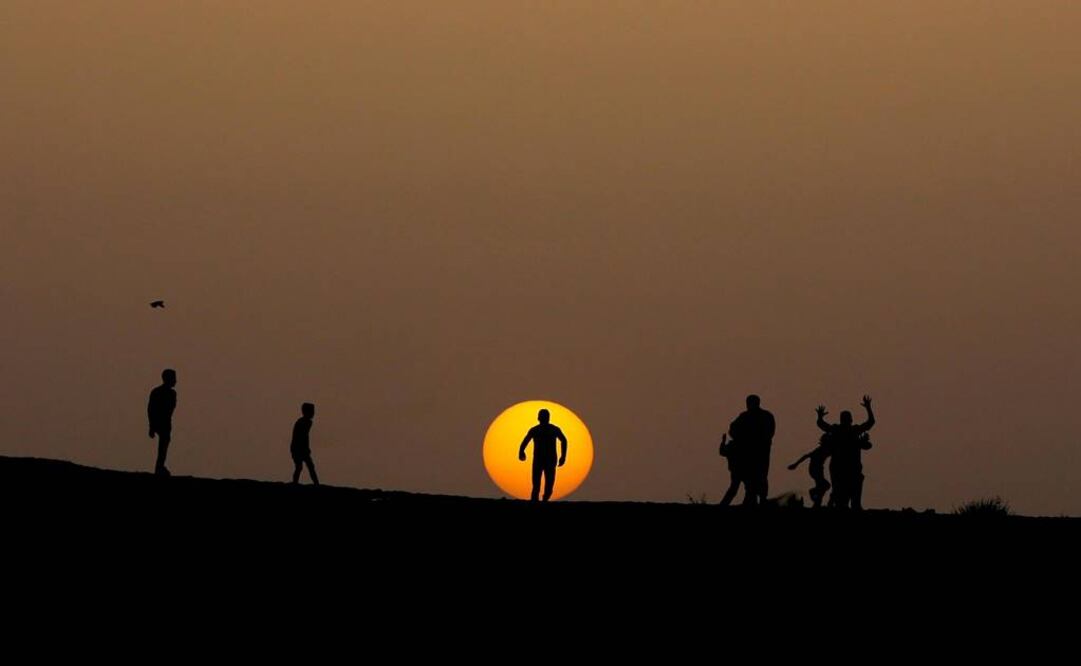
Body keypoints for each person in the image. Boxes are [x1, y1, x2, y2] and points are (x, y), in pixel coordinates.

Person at [815, 395, 875, 509]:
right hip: (851, 470)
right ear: (851, 420)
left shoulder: (837, 430)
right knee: (853, 501)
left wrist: (819, 416)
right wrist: (868, 408)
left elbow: (821, 424)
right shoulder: (854, 431)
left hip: (840, 469)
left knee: (841, 500)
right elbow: (870, 422)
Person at [728, 395, 776, 505]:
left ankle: (761, 499)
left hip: (759, 453)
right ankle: (753, 499)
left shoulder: (764, 416)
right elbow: (733, 429)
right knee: (753, 477)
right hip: (751, 454)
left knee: (760, 475)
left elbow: (769, 433)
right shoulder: (746, 416)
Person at [517, 409, 567, 502]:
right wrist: (521, 451)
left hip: (549, 460)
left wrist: (563, 456)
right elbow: (525, 441)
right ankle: (536, 501)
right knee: (537, 484)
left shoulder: (553, 429)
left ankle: (544, 500)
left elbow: (564, 440)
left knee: (548, 484)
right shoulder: (535, 430)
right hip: (539, 460)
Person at [147, 369, 178, 476]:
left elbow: (151, 409)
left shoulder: (157, 392)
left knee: (164, 445)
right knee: (163, 446)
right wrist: (152, 425)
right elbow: (152, 409)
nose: (176, 381)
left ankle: (160, 467)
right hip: (163, 423)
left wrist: (151, 425)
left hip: (162, 423)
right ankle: (159, 467)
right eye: (174, 378)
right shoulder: (169, 394)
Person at [788, 436, 832, 508]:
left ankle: (817, 502)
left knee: (822, 487)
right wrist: (795, 464)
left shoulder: (826, 450)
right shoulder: (819, 450)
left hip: (819, 470)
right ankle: (813, 492)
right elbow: (806, 456)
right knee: (825, 485)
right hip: (815, 470)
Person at [290, 402, 320, 485]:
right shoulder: (303, 423)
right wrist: (305, 448)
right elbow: (302, 437)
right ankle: (295, 483)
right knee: (300, 466)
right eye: (312, 411)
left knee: (309, 466)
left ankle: (316, 483)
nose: (313, 413)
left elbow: (305, 437)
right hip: (297, 448)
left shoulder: (307, 422)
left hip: (301, 448)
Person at [718, 433, 748, 507]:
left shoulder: (733, 445)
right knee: (741, 487)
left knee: (735, 488)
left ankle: (724, 504)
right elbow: (722, 452)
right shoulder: (740, 445)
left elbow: (722, 452)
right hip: (740, 470)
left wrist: (723, 442)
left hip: (737, 470)